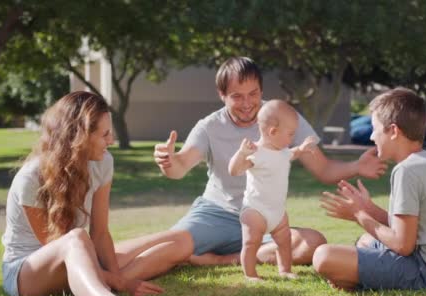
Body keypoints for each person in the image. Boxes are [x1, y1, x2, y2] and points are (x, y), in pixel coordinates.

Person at [154, 56, 387, 266]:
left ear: (261, 90)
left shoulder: (282, 116)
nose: (247, 103)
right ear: (222, 94)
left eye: (253, 94)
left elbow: (323, 169)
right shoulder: (209, 126)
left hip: (264, 219)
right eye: (237, 96)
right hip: (216, 213)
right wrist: (168, 161)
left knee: (313, 243)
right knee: (167, 248)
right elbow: (180, 166)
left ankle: (224, 260)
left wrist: (357, 166)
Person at [1, 91, 192, 296]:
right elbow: (53, 245)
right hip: (28, 272)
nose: (111, 140)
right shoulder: (30, 177)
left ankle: (93, 285)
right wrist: (120, 282)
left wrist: (113, 276)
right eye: (104, 135)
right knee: (77, 238)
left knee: (181, 240)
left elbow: (100, 234)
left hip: (80, 254)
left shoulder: (103, 163)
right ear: (79, 136)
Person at [314, 87, 426, 291]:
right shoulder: (425, 163)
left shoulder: (406, 171)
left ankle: (356, 279)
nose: (372, 136)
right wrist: (369, 209)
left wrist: (359, 215)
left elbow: (402, 245)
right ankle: (357, 277)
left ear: (394, 131)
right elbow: (408, 228)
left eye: (375, 128)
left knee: (323, 256)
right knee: (365, 241)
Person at [228, 100, 317, 280]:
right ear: (273, 132)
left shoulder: (283, 151)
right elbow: (234, 170)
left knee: (284, 242)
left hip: (277, 211)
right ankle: (250, 274)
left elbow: (293, 153)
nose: (292, 139)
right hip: (255, 210)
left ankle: (284, 270)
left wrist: (301, 148)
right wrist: (241, 154)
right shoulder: (257, 152)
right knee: (251, 243)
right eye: (290, 134)